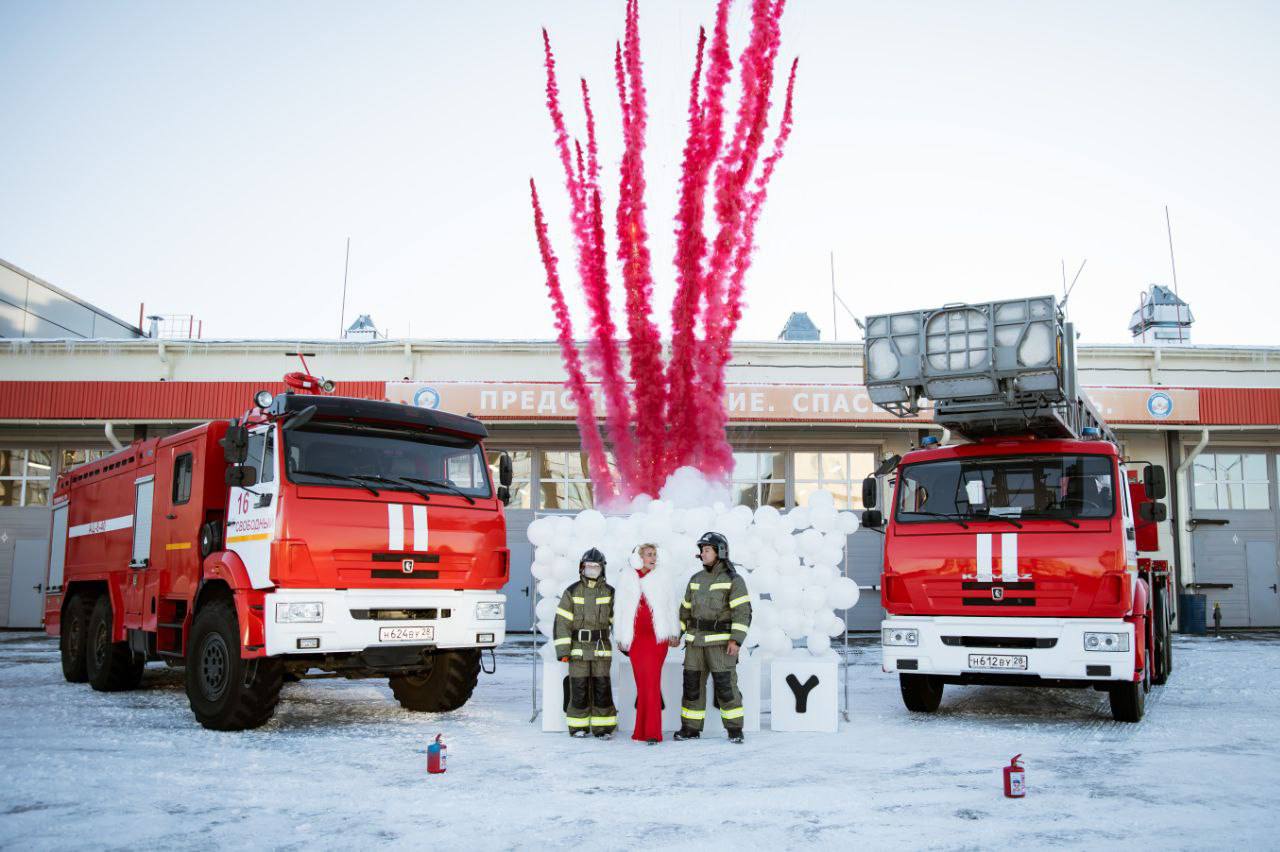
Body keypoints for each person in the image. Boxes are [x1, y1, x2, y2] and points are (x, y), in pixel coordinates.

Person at [674, 531, 752, 744]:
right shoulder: (695, 579)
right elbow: (685, 611)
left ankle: (734, 729)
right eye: (702, 550)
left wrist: (736, 639)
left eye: (707, 550)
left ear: (721, 552)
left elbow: (742, 612)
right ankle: (690, 728)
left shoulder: (734, 580)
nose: (703, 553)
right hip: (695, 643)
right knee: (692, 687)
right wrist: (678, 633)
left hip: (720, 644)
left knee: (726, 687)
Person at [614, 543, 681, 744]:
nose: (653, 558)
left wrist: (674, 632)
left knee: (651, 682)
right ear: (639, 557)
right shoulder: (626, 576)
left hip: (656, 639)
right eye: (649, 554)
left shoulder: (663, 576)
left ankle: (652, 731)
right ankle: (641, 730)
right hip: (636, 640)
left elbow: (671, 606)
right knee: (642, 684)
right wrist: (620, 636)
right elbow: (620, 608)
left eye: (655, 554)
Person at [553, 548, 617, 738]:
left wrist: (626, 642)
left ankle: (603, 728)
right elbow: (562, 622)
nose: (592, 569)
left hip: (601, 649)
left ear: (602, 568)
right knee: (579, 688)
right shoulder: (571, 591)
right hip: (578, 650)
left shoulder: (610, 592)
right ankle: (578, 727)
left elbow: (619, 621)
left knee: (602, 688)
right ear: (581, 568)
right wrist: (563, 651)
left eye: (595, 566)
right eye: (588, 566)